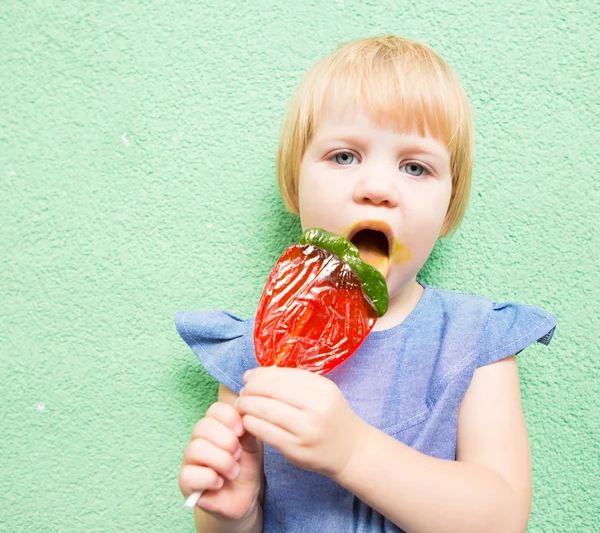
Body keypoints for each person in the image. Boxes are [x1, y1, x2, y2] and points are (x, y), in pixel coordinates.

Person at [175, 35, 557, 533]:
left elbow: (501, 521)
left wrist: (352, 452)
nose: (377, 189)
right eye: (344, 156)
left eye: (415, 166)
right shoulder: (259, 348)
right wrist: (233, 511)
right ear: (294, 184)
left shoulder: (474, 340)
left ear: (448, 208)